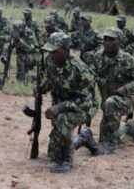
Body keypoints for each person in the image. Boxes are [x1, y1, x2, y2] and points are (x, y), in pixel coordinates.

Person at [34, 32, 96, 173]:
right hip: (62, 105)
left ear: (66, 50)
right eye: (50, 51)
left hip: (84, 107)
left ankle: (67, 161)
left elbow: (86, 101)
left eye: (55, 51)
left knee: (63, 120)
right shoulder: (51, 61)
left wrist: (60, 107)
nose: (52, 54)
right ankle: (83, 138)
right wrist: (41, 89)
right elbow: (51, 79)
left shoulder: (80, 70)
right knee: (53, 154)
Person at [93, 28, 134, 153]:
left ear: (119, 42)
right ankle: (128, 128)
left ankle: (111, 143)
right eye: (105, 39)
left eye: (111, 39)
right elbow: (91, 76)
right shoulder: (97, 57)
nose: (107, 42)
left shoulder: (127, 59)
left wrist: (124, 89)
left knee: (111, 105)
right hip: (106, 103)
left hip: (126, 100)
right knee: (102, 138)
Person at [15, 19, 41, 83]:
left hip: (30, 56)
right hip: (31, 56)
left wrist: (21, 43)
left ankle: (24, 79)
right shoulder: (25, 32)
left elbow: (31, 47)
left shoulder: (28, 33)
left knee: (21, 57)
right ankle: (26, 76)